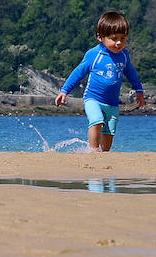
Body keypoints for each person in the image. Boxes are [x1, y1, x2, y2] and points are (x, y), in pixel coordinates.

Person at [55, 10, 147, 151]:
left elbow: (131, 73)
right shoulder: (94, 54)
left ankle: (102, 156)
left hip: (112, 104)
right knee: (96, 121)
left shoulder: (124, 55)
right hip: (93, 99)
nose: (118, 43)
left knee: (109, 133)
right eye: (113, 38)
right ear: (100, 37)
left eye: (123, 38)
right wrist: (64, 91)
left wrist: (139, 90)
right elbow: (78, 73)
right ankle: (93, 151)